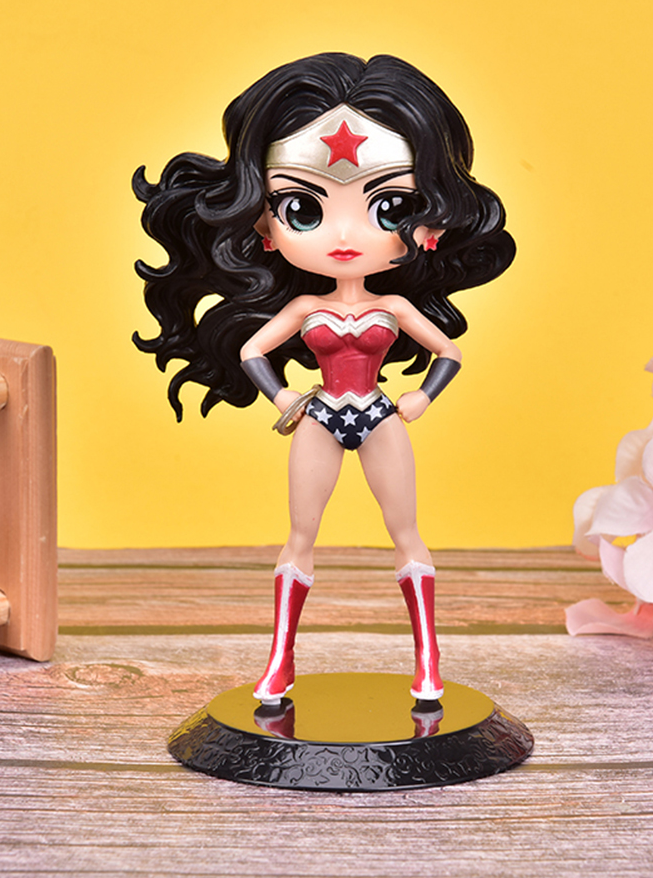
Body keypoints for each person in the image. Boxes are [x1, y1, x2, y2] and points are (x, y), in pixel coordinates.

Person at [133, 53, 515, 705]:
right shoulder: (306, 308)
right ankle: (280, 663)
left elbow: (449, 351)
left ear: (429, 224)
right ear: (265, 224)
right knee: (300, 537)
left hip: (379, 414)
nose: (343, 235)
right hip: (320, 416)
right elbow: (253, 349)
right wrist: (283, 396)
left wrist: (422, 395)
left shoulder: (395, 308)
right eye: (303, 208)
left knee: (405, 533)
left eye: (389, 206)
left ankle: (428, 661)